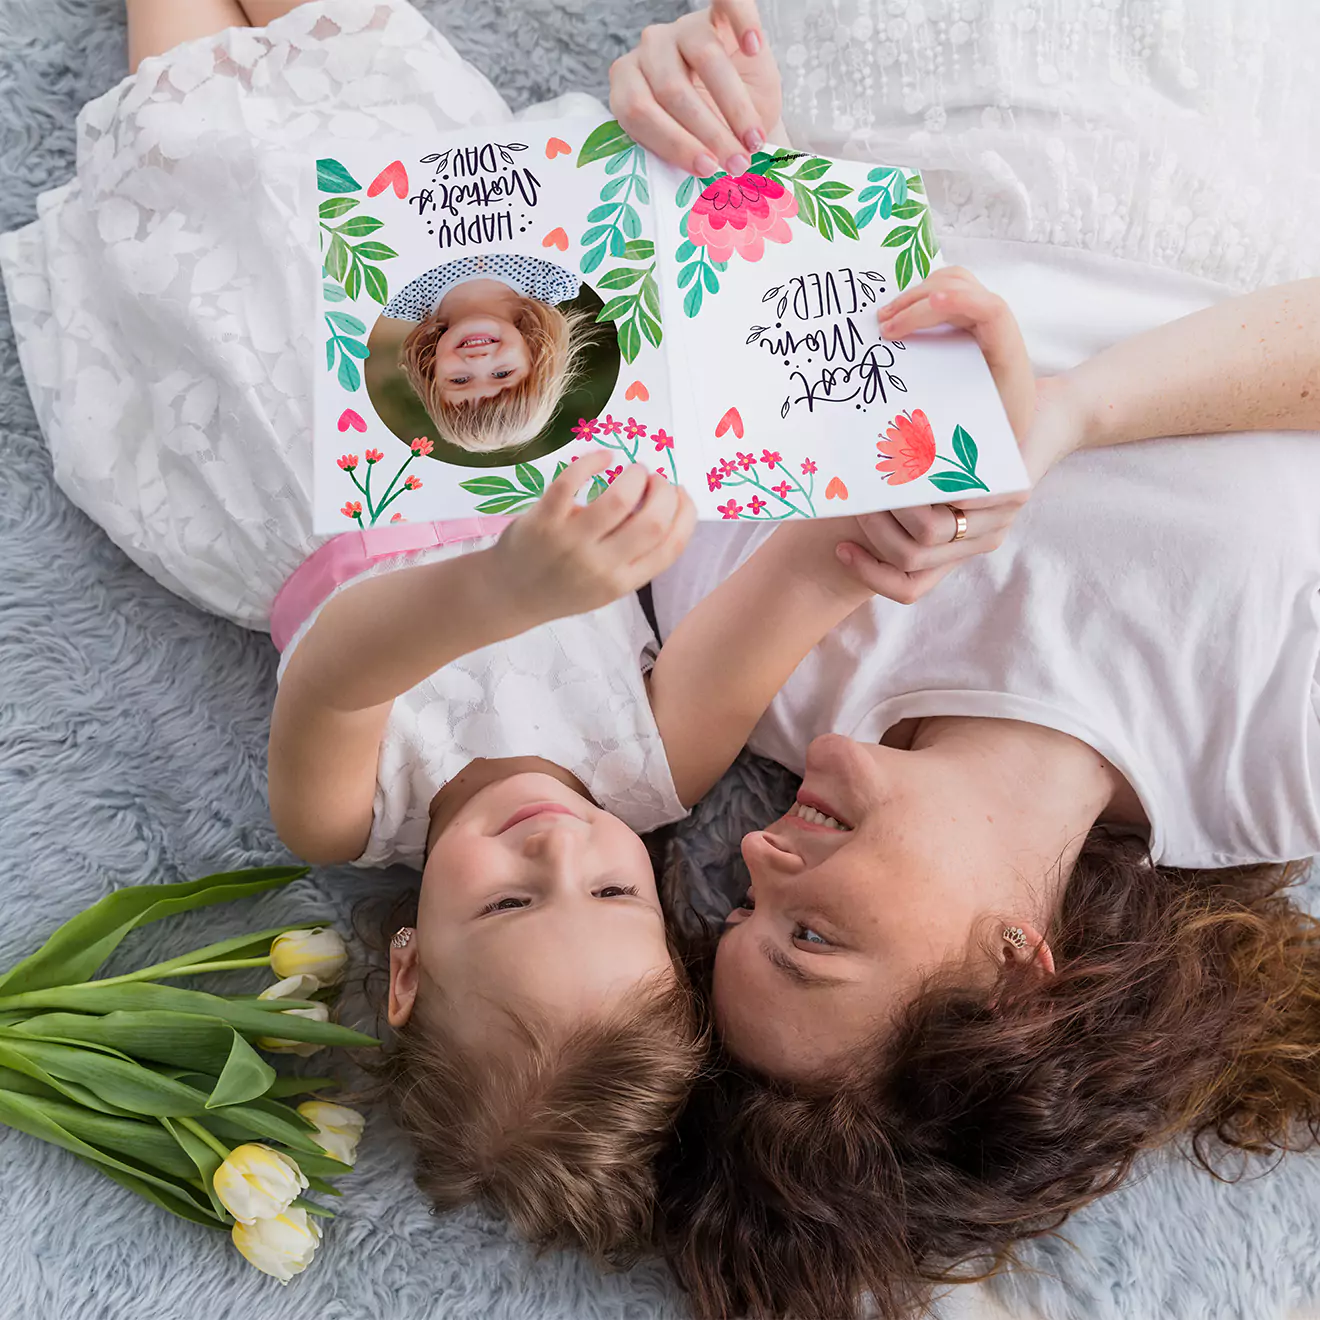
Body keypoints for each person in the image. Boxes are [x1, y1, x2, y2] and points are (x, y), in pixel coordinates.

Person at [0, 0, 895, 1268]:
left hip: (285, 408)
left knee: (188, 98)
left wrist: (506, 592)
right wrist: (897, 531)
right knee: (358, 48)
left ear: (408, 968)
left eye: (513, 904)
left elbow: (344, 664)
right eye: (610, 890)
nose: (559, 847)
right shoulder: (657, 768)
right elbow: (807, 571)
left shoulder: (349, 816)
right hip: (459, 307)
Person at [612, 4, 1320, 1318]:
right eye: (811, 935)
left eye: (743, 916)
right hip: (1224, 102)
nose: (754, 860)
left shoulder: (771, 661)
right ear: (1014, 971)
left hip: (901, 70)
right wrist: (1074, 418)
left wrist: (679, 110)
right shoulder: (1278, 755)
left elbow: (727, 251)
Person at [382, 253, 595, 454]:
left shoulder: (396, 294)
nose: (478, 361)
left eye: (460, 379)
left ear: (431, 367)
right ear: (534, 357)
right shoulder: (555, 275)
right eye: (502, 374)